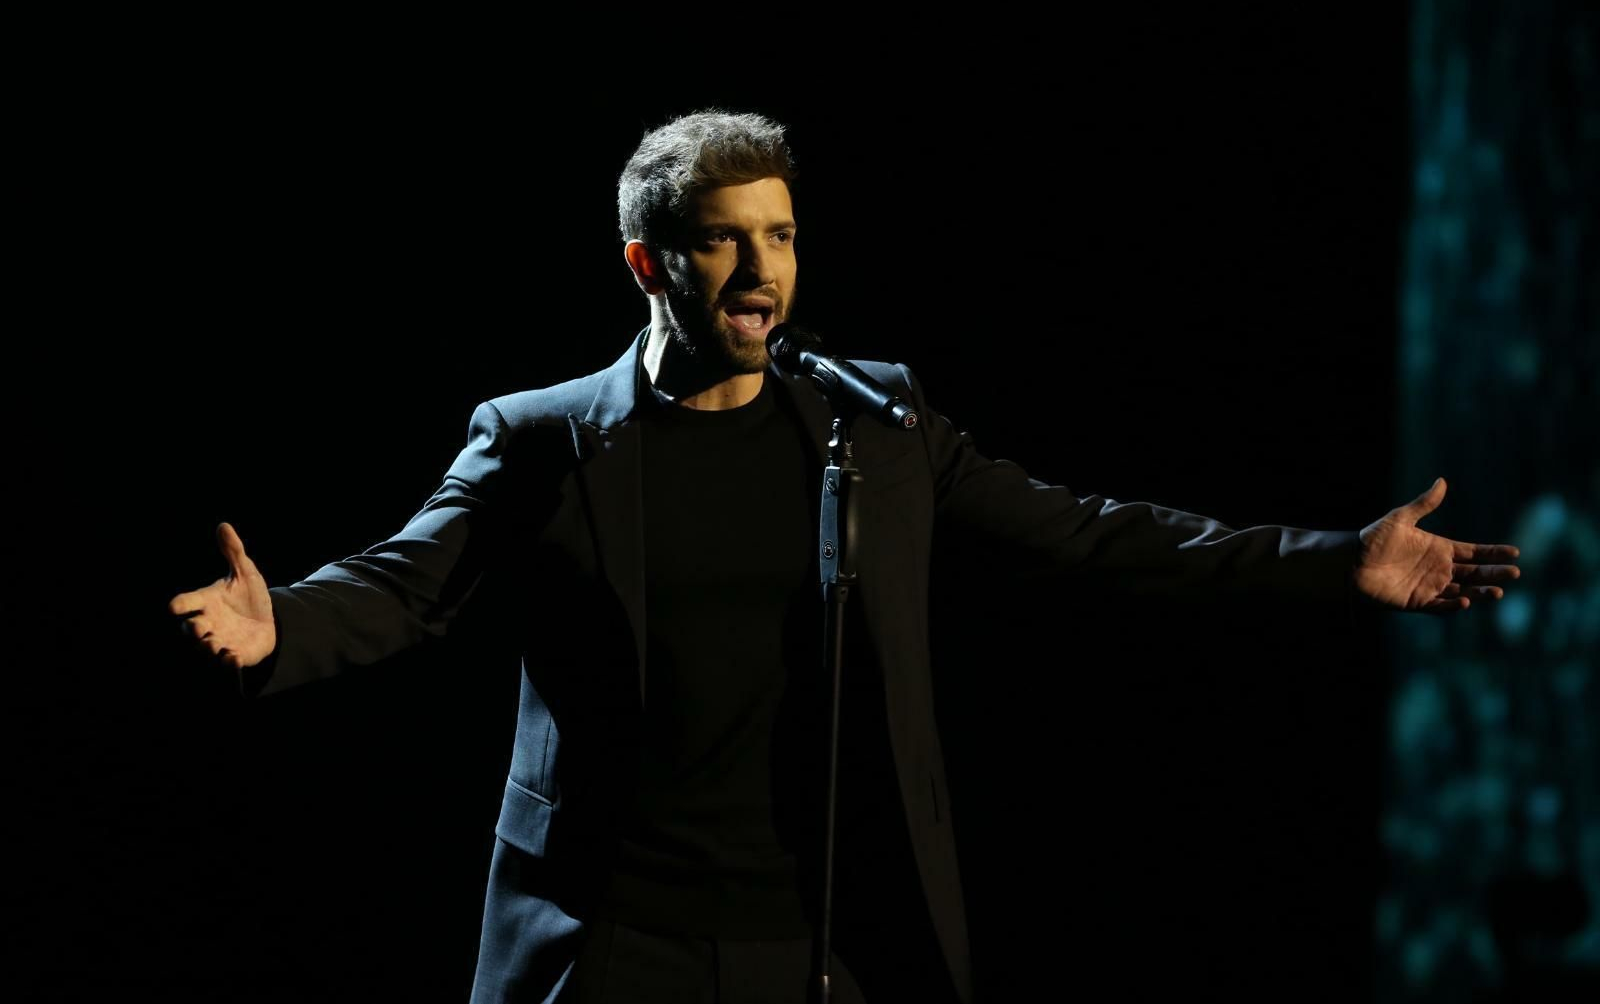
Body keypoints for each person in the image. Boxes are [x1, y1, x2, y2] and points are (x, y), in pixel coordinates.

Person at [168, 110, 1523, 1003]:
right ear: (648, 260)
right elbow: (411, 581)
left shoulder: (872, 425)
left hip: (816, 943)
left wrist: (1330, 559)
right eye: (723, 241)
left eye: (783, 236)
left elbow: (1092, 533)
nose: (763, 270)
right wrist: (282, 624)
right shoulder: (543, 441)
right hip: (607, 943)